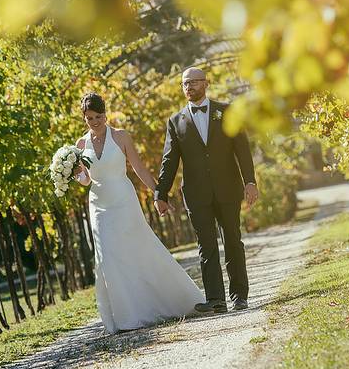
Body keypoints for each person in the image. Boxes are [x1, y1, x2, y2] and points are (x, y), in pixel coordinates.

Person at [74, 93, 204, 334]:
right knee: (108, 258)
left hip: (124, 200)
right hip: (98, 205)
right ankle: (126, 318)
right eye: (89, 118)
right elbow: (85, 180)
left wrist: (158, 194)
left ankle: (171, 300)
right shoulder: (80, 145)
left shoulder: (121, 136)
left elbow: (139, 167)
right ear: (84, 117)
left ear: (106, 114)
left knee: (138, 248)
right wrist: (74, 174)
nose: (94, 122)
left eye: (98, 116)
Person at [154, 67, 258, 314]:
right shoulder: (175, 121)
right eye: (184, 84)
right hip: (196, 193)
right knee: (207, 246)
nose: (188, 87)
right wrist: (161, 193)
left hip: (228, 189)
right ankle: (215, 299)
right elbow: (169, 160)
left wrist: (250, 181)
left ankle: (239, 296)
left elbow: (242, 149)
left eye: (193, 82)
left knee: (232, 240)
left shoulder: (227, 111)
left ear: (206, 83)